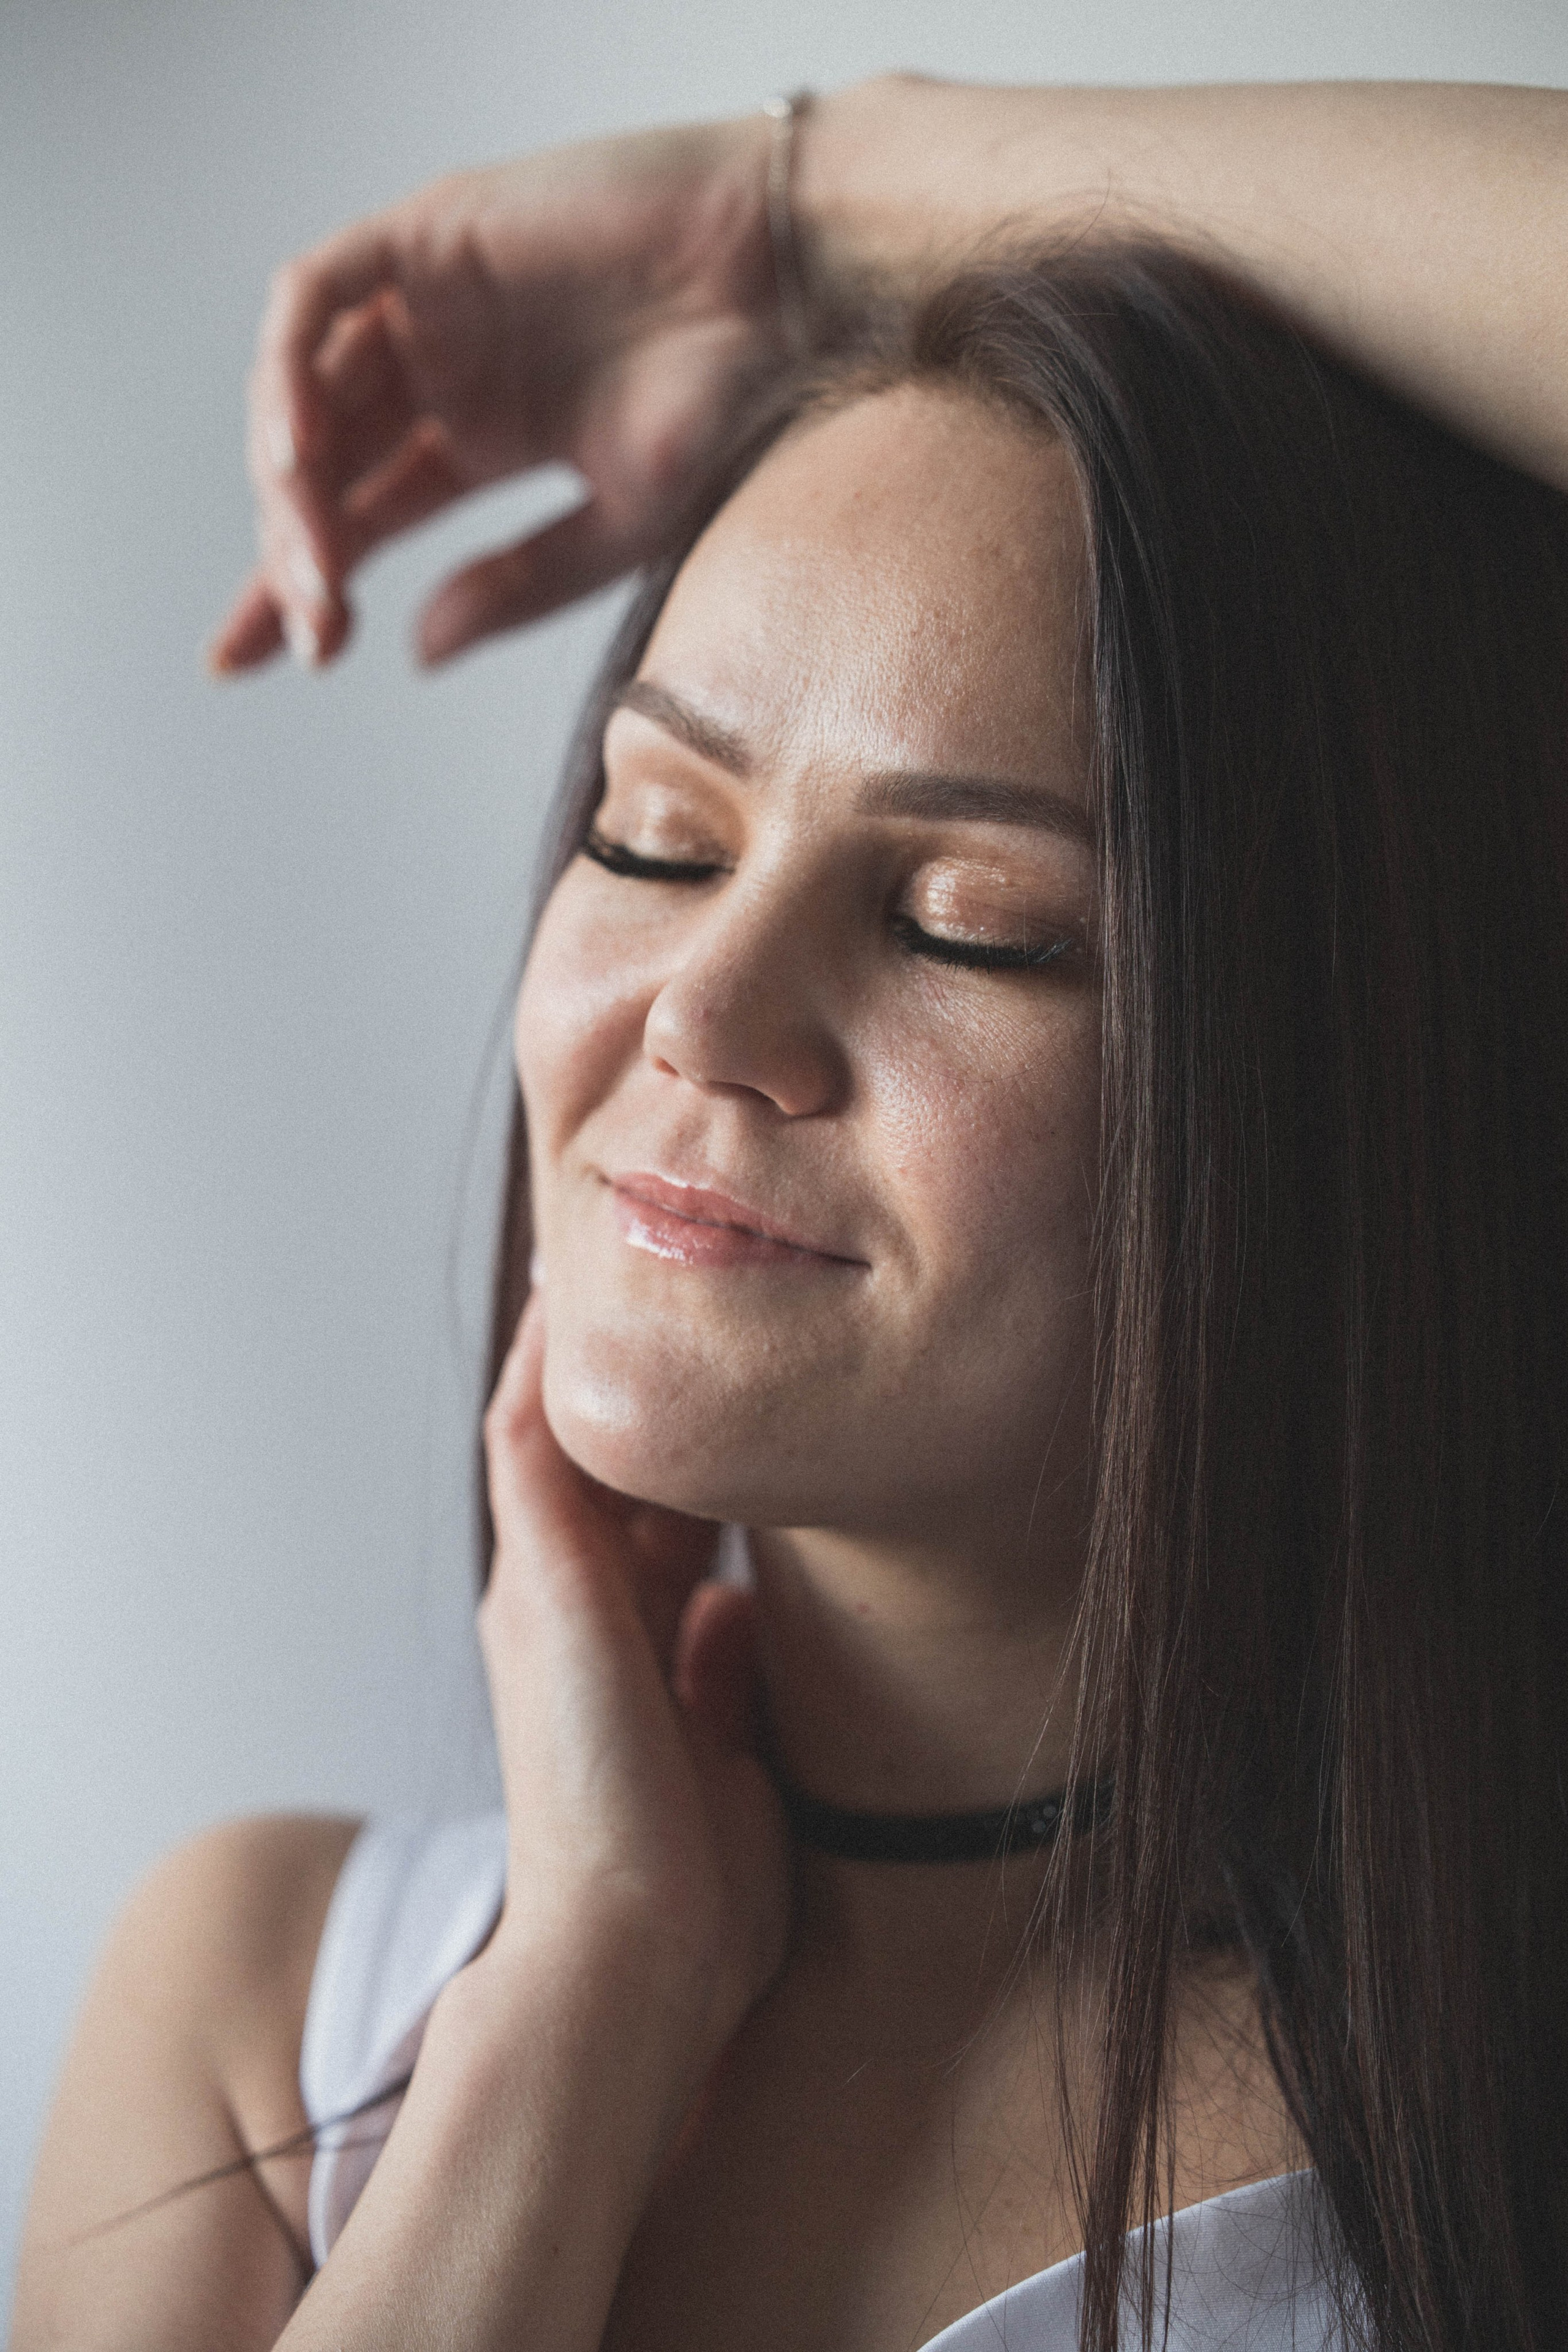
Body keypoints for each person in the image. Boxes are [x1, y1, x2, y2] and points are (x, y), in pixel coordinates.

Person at [13, 76, 1568, 2352]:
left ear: (1337, 1077)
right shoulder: (263, 1999)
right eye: (653, 834)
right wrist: (576, 2015)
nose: (709, 1009)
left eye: (969, 923)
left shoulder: (1485, 2116)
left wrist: (796, 197)